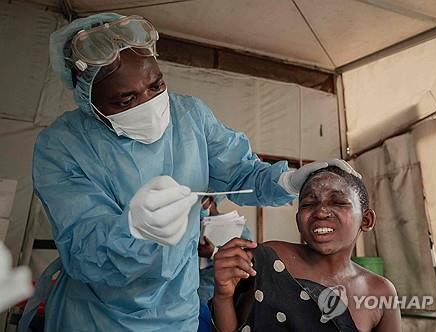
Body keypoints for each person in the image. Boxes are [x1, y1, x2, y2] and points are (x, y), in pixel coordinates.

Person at [21, 13, 332, 331]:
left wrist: (288, 181)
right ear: (89, 99)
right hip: (98, 317)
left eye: (156, 85)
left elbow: (241, 172)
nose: (148, 102)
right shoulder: (62, 146)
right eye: (126, 99)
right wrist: (135, 230)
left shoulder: (189, 117)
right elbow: (85, 250)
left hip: (177, 312)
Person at [213, 160, 401, 331]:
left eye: (338, 202)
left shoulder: (379, 291)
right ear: (298, 220)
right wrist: (223, 295)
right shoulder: (270, 260)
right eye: (308, 204)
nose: (320, 212)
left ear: (366, 220)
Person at [198, 196, 253, 305]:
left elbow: (243, 263)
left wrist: (213, 253)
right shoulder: (191, 222)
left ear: (210, 200)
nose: (197, 206)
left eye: (201, 200)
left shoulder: (238, 227)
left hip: (208, 292)